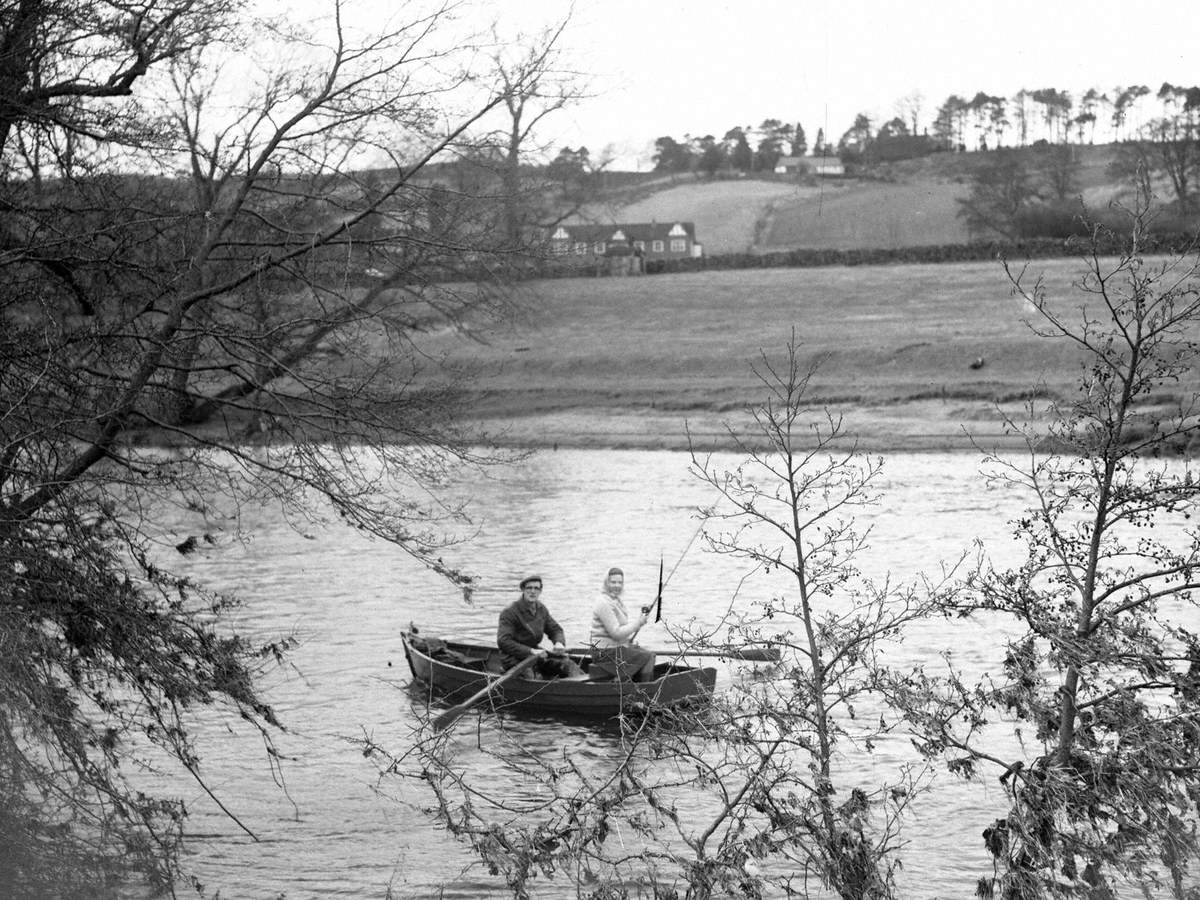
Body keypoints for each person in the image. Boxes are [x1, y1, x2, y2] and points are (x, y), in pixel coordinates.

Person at [497, 575, 578, 679]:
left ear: (540, 591)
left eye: (536, 588)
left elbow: (555, 630)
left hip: (536, 655)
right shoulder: (510, 612)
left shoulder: (541, 609)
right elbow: (503, 641)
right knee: (532, 678)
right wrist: (530, 651)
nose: (532, 591)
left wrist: (559, 642)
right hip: (513, 658)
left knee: (568, 664)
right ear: (522, 589)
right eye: (529, 588)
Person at [589, 567, 656, 682]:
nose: (617, 585)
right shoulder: (603, 602)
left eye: (620, 582)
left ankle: (630, 684)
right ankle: (640, 690)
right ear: (606, 583)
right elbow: (616, 633)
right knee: (648, 657)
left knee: (651, 655)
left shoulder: (616, 601)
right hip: (603, 652)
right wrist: (638, 623)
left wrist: (641, 617)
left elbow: (623, 629)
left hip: (615, 648)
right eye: (613, 582)